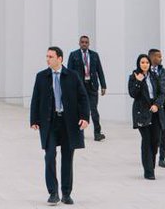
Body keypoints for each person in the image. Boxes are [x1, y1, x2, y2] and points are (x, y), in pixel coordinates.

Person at [29, 46, 90, 205]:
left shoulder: (73, 76)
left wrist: (84, 117)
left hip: (68, 122)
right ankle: (53, 193)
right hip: (49, 122)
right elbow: (35, 99)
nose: (47, 59)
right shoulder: (41, 76)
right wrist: (34, 120)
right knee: (49, 156)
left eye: (51, 56)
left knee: (67, 158)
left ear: (60, 59)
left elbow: (83, 98)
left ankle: (66, 193)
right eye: (47, 56)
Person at [128, 53, 165, 180]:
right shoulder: (133, 77)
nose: (145, 65)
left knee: (155, 141)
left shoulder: (154, 76)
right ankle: (148, 171)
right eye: (142, 62)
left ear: (150, 64)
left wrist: (156, 105)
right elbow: (133, 94)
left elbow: (162, 94)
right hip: (142, 112)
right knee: (146, 140)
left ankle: (151, 166)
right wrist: (138, 82)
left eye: (147, 63)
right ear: (138, 64)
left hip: (155, 111)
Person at [65, 36, 107, 141]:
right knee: (80, 110)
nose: (84, 44)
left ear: (89, 44)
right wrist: (69, 86)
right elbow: (69, 72)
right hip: (79, 87)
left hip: (92, 86)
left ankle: (97, 133)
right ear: (79, 43)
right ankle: (79, 132)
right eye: (82, 42)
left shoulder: (94, 55)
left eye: (86, 42)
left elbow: (99, 71)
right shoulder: (73, 55)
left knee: (94, 110)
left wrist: (103, 85)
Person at [148, 48, 165, 167]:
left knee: (164, 133)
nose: (161, 58)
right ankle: (151, 155)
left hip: (163, 108)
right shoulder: (146, 72)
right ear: (152, 57)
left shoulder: (164, 72)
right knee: (153, 135)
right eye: (158, 56)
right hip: (151, 109)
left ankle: (162, 158)